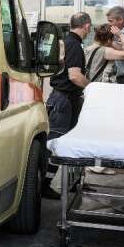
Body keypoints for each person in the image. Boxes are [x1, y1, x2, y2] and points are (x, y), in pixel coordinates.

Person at [42, 12, 92, 200]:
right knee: (55, 143)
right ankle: (44, 185)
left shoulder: (67, 42)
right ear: (86, 26)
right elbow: (74, 76)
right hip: (63, 100)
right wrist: (93, 88)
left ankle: (67, 182)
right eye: (89, 27)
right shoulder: (74, 45)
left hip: (64, 99)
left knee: (67, 142)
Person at [83, 23, 124, 175]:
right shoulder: (105, 51)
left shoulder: (89, 49)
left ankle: (90, 162)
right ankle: (97, 165)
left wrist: (113, 40)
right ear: (109, 39)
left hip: (91, 92)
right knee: (102, 130)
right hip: (102, 95)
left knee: (93, 130)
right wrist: (121, 35)